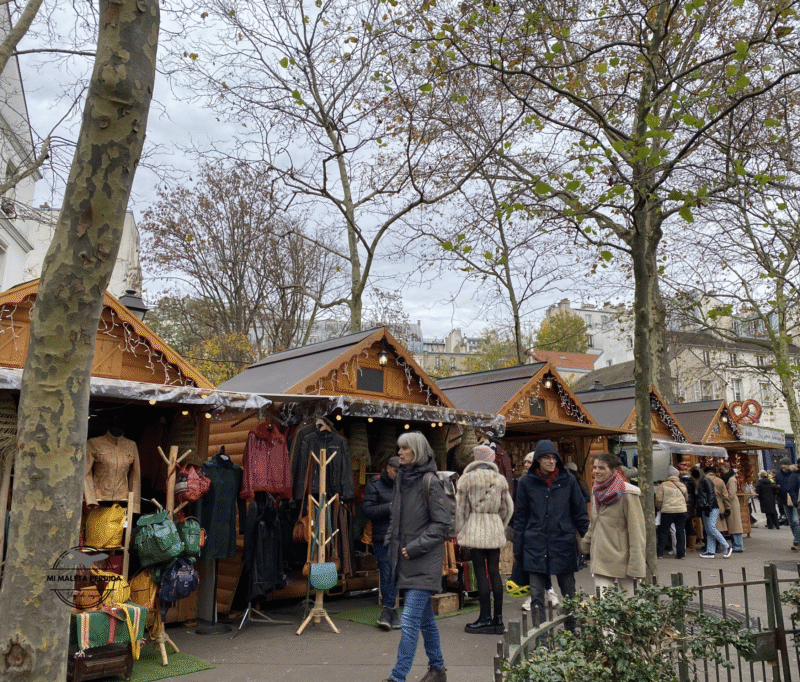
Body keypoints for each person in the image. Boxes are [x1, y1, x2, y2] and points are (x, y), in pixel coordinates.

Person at [382, 431, 449, 682]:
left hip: (423, 562)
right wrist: (390, 542)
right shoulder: (402, 478)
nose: (399, 453)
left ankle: (398, 677)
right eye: (399, 448)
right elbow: (396, 517)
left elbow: (442, 525)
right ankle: (437, 669)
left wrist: (414, 547)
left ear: (417, 451)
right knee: (425, 621)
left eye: (405, 448)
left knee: (409, 620)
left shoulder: (430, 482)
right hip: (405, 560)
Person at [513, 439, 589, 627]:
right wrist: (518, 549)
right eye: (546, 457)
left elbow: (580, 513)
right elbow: (520, 517)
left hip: (562, 543)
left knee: (569, 594)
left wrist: (589, 540)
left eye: (554, 457)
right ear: (538, 459)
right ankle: (542, 640)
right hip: (534, 544)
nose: (551, 461)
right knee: (536, 596)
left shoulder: (568, 480)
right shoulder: (526, 483)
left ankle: (571, 634)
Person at [456, 445, 514, 634]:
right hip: (494, 526)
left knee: (481, 572)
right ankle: (499, 620)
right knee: (495, 572)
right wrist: (499, 524)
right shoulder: (500, 479)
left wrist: (463, 529)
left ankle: (484, 618)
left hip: (475, 527)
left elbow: (461, 509)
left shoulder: (467, 479)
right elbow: (508, 508)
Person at [580, 452, 646, 595]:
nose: (596, 471)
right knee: (604, 604)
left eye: (601, 468)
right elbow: (595, 523)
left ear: (613, 470)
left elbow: (637, 531)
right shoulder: (596, 491)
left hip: (623, 560)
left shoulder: (628, 493)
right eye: (594, 467)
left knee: (630, 603)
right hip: (601, 558)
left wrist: (636, 566)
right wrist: (585, 544)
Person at [363, 455, 401, 630]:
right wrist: (389, 507)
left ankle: (391, 611)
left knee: (397, 573)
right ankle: (389, 610)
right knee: (387, 572)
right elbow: (367, 510)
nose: (399, 475)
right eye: (396, 471)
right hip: (383, 536)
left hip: (402, 535)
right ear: (388, 468)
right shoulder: (375, 484)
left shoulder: (405, 484)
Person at [696, 466, 733, 559]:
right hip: (715, 506)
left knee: (711, 528)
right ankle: (711, 551)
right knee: (710, 529)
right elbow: (725, 496)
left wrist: (706, 505)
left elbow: (709, 494)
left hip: (710, 506)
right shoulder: (719, 480)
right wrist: (727, 507)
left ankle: (726, 546)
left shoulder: (703, 480)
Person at [655, 466, 688, 559]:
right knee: (680, 532)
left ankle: (660, 553)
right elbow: (686, 498)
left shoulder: (663, 485)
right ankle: (681, 554)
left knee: (663, 531)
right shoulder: (682, 485)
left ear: (669, 475)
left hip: (667, 511)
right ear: (677, 475)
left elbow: (658, 499)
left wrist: (661, 508)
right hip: (681, 511)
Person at [774, 457, 800, 550]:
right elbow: (776, 486)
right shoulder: (778, 475)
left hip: (795, 500)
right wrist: (775, 489)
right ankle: (797, 540)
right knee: (791, 522)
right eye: (782, 464)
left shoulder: (794, 474)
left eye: (785, 464)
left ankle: (797, 541)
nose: (783, 466)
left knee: (796, 521)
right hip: (784, 500)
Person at [719, 461, 744, 552]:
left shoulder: (731, 479)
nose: (721, 471)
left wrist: (725, 500)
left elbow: (731, 494)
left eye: (722, 469)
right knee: (733, 525)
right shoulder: (729, 478)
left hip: (732, 505)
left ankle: (738, 545)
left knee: (735, 526)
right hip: (731, 504)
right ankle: (736, 545)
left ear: (727, 468)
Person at [678, 462, 697, 552]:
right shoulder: (692, 479)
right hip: (690, 504)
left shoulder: (682, 480)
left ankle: (690, 546)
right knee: (688, 524)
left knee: (686, 525)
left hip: (684, 503)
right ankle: (691, 545)